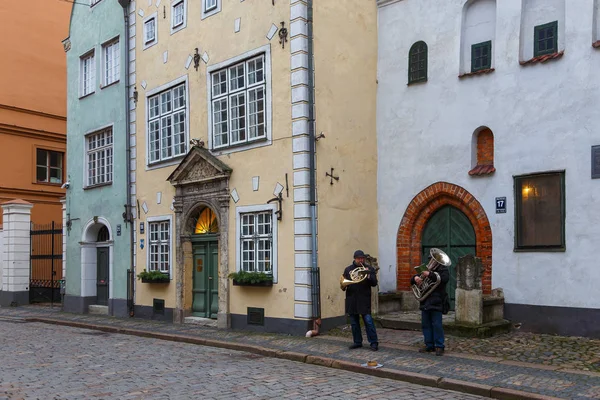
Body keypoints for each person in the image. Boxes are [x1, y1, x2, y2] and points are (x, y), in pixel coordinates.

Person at [411, 256, 449, 356]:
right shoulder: (425, 269)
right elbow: (412, 280)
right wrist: (415, 278)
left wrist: (430, 274)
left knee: (437, 325)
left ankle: (439, 346)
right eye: (431, 259)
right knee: (426, 325)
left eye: (435, 260)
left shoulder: (443, 269)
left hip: (437, 301)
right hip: (425, 301)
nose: (432, 262)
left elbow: (444, 279)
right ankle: (429, 345)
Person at [342, 250, 379, 351]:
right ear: (355, 259)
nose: (361, 260)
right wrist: (346, 284)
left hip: (364, 299)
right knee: (354, 322)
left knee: (368, 321)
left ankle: (373, 342)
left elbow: (374, 283)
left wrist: (368, 276)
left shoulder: (369, 269)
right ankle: (357, 342)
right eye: (359, 258)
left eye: (362, 258)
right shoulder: (348, 270)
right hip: (352, 299)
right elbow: (343, 284)